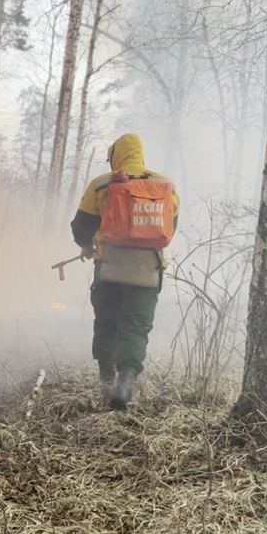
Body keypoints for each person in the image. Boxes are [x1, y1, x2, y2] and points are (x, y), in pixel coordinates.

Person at [70, 133, 179, 409]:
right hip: (147, 271)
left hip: (110, 268)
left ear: (115, 156)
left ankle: (107, 381)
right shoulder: (165, 185)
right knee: (136, 327)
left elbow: (80, 227)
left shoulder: (102, 185)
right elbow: (171, 227)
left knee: (107, 322)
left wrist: (87, 246)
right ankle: (126, 379)